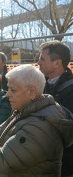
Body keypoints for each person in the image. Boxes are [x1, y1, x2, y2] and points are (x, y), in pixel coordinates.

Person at [38, 40, 73, 177]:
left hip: (65, 164)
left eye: (42, 58)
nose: (38, 62)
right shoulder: (41, 85)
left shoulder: (70, 89)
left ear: (57, 62)